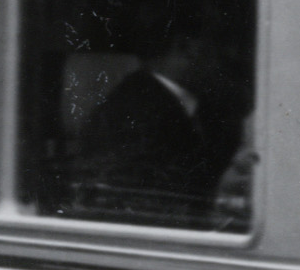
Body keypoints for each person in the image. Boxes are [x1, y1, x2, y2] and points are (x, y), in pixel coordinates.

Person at [73, 25, 246, 228]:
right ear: (186, 46)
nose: (231, 54)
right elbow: (153, 208)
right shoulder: (133, 115)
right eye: (219, 42)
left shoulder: (197, 108)